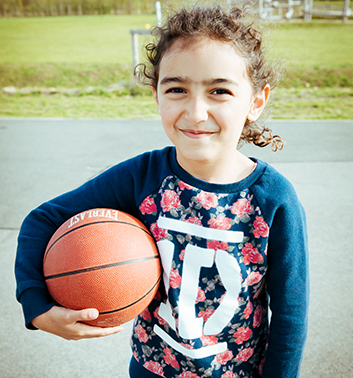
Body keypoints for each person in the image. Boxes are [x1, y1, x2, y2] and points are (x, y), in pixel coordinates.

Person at [15, 3, 309, 378]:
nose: (196, 111)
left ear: (256, 100)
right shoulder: (144, 177)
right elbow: (44, 219)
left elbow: (290, 315)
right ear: (156, 94)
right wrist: (37, 306)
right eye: (176, 89)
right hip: (149, 369)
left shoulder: (273, 200)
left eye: (219, 90)